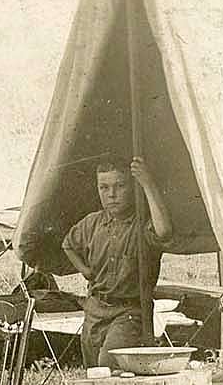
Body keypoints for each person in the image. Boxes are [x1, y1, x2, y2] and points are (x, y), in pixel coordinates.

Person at [62, 156, 176, 369]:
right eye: (104, 187)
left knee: (108, 364)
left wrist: (147, 183)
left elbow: (164, 231)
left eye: (120, 186)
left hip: (129, 311)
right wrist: (85, 270)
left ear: (133, 189)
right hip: (95, 309)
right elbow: (68, 244)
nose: (111, 194)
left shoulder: (142, 224)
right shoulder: (92, 223)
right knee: (93, 371)